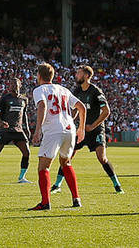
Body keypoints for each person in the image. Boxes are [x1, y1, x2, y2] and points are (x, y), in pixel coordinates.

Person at [52, 65, 122, 193]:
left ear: (86, 76)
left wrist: (93, 125)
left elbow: (106, 111)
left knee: (102, 158)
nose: (76, 75)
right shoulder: (77, 91)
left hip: (96, 130)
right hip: (81, 130)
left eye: (79, 73)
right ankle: (57, 185)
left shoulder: (96, 91)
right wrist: (70, 121)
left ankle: (117, 185)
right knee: (66, 157)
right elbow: (75, 110)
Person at [29, 62, 87, 211]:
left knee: (44, 166)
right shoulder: (63, 89)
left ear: (39, 76)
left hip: (53, 130)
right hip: (69, 130)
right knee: (66, 163)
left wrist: (38, 130)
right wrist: (81, 129)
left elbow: (42, 106)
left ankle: (45, 202)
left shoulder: (39, 89)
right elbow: (81, 107)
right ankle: (76, 199)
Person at [0, 77, 32, 184]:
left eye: (15, 84)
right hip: (6, 130)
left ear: (20, 85)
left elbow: (24, 114)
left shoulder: (24, 99)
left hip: (18, 130)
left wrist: (26, 127)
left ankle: (22, 177)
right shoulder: (5, 99)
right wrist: (1, 122)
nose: (13, 86)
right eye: (11, 84)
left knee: (26, 153)